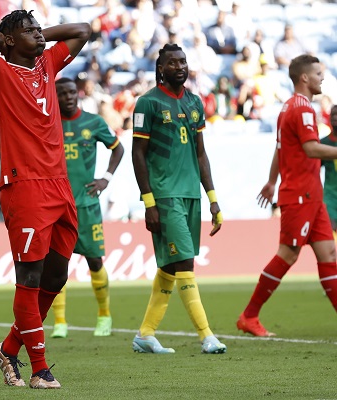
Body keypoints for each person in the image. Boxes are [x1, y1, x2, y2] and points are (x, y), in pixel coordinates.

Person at [0, 10, 90, 389]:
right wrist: (4, 41)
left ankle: (7, 348)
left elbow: (83, 30)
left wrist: (36, 37)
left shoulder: (46, 64)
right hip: (25, 185)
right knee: (30, 278)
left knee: (56, 275)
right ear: (8, 40)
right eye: (29, 30)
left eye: (39, 29)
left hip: (59, 185)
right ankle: (39, 369)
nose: (39, 34)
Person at [131, 43, 227, 355]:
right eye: (172, 63)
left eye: (183, 61)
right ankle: (207, 335)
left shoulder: (195, 102)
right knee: (185, 262)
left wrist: (212, 199)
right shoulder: (148, 103)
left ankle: (145, 334)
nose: (180, 66)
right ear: (160, 69)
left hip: (191, 195)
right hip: (165, 195)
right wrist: (149, 202)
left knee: (171, 266)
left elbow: (201, 153)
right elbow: (138, 154)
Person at [238, 55, 337, 336]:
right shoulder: (303, 110)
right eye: (318, 73)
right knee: (288, 254)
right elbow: (312, 149)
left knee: (328, 253)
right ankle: (249, 316)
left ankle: (249, 316)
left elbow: (281, 147)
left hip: (312, 195)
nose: (322, 78)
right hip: (299, 195)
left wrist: (271, 181)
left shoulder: (289, 107)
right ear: (304, 78)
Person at [50, 77, 124, 338]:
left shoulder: (93, 122)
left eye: (71, 93)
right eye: (62, 93)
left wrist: (106, 177)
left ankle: (104, 315)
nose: (68, 97)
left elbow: (118, 149)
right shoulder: (48, 122)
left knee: (94, 260)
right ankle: (59, 321)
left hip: (87, 204)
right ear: (55, 96)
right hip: (57, 205)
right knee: (57, 265)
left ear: (77, 94)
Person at [321, 105, 337, 231]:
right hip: (330, 195)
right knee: (330, 228)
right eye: (333, 115)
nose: (335, 118)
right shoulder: (323, 143)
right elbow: (314, 168)